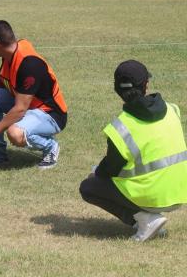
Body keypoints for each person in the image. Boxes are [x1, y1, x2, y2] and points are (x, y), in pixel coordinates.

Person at [79, 60, 187, 242]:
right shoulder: (172, 109)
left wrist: (96, 171)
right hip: (180, 191)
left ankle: (146, 219)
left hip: (153, 197)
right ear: (146, 84)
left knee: (89, 187)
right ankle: (149, 220)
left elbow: (109, 171)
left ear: (116, 90)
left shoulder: (121, 128)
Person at [0, 20, 67, 169]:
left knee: (14, 133)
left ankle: (50, 147)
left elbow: (20, 109)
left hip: (50, 114)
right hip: (27, 104)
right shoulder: (10, 52)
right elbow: (10, 79)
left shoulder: (30, 64)